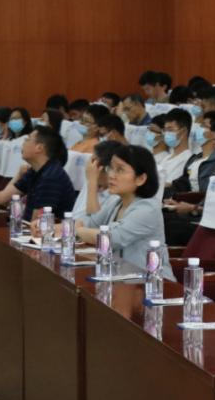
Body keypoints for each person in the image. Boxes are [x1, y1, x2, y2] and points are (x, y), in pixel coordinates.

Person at [74, 145, 174, 281]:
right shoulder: (116, 202)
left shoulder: (148, 209)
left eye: (120, 170)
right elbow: (90, 223)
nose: (111, 175)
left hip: (152, 284)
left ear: (140, 179)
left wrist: (77, 230)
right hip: (121, 279)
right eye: (111, 168)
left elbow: (111, 239)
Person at [0, 126, 76, 219]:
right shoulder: (35, 170)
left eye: (27, 139)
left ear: (39, 148)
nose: (23, 143)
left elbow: (38, 223)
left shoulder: (51, 176)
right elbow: (2, 197)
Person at [74, 140, 120, 219]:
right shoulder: (90, 180)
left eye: (92, 160)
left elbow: (92, 222)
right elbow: (74, 217)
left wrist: (92, 182)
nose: (89, 165)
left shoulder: (117, 196)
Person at [155, 108, 194, 190]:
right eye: (165, 130)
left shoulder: (187, 159)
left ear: (183, 131)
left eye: (170, 129)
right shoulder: (166, 158)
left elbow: (170, 185)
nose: (166, 134)